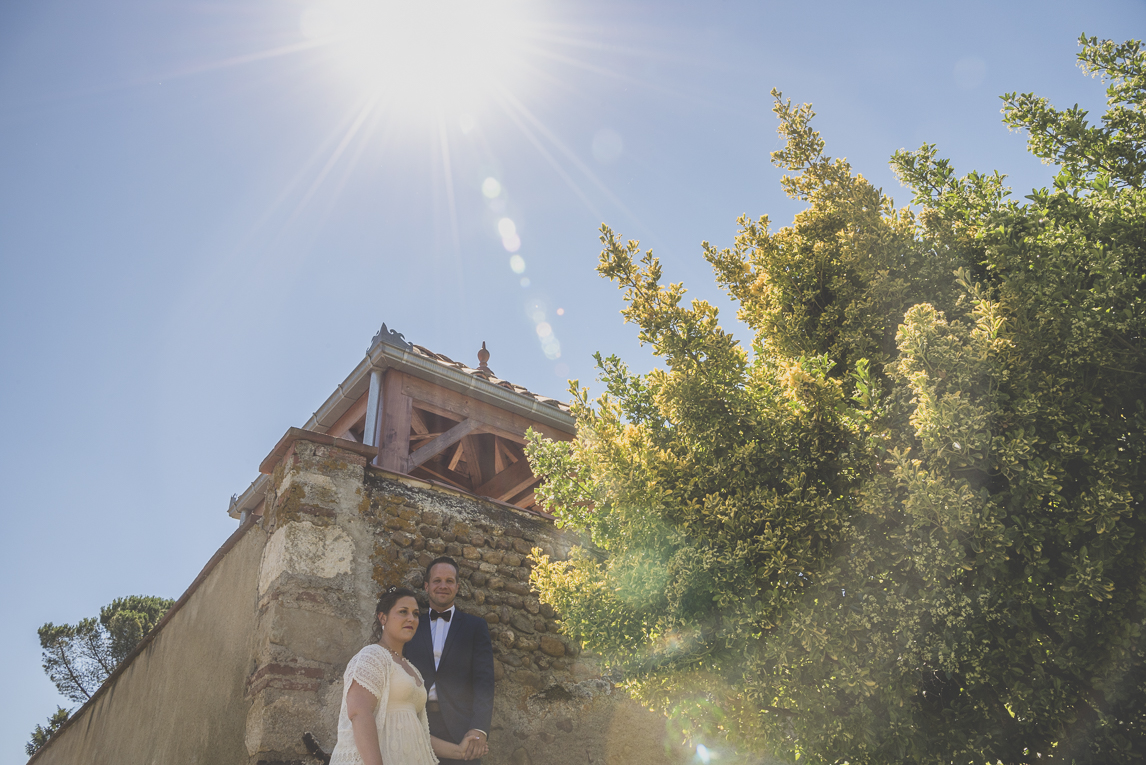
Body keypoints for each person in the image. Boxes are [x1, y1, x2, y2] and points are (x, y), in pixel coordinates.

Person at [329, 587, 488, 765]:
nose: (411, 619)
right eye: (403, 612)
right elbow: (359, 713)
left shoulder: (411, 669)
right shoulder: (372, 655)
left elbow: (417, 731)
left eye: (415, 614)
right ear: (383, 617)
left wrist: (459, 751)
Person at [406, 557, 496, 765]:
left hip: (462, 730)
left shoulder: (475, 627)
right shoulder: (411, 625)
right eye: (437, 581)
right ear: (427, 586)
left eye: (449, 581)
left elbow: (484, 682)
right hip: (415, 723)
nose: (443, 586)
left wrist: (479, 728)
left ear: (457, 586)